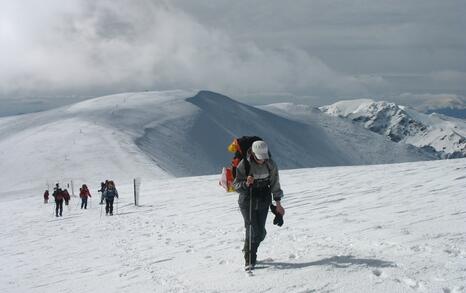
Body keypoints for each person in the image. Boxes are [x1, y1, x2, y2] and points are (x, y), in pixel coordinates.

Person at [233, 140, 285, 270]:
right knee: (252, 230)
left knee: (260, 233)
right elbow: (236, 186)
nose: (262, 160)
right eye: (259, 157)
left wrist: (278, 204)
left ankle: (247, 249)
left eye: (264, 157)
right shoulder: (244, 165)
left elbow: (275, 184)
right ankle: (249, 261)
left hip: (263, 201)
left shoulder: (270, 164)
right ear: (253, 154)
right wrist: (246, 183)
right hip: (247, 201)